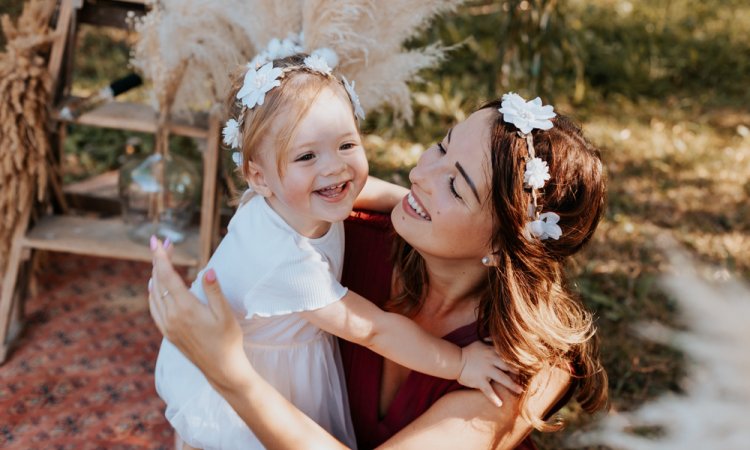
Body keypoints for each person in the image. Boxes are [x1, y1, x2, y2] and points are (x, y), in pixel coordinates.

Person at [149, 92, 609, 449]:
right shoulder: (342, 241)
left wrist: (230, 373)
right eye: (440, 146)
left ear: (503, 242)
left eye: (453, 184)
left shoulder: (522, 368)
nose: (418, 173)